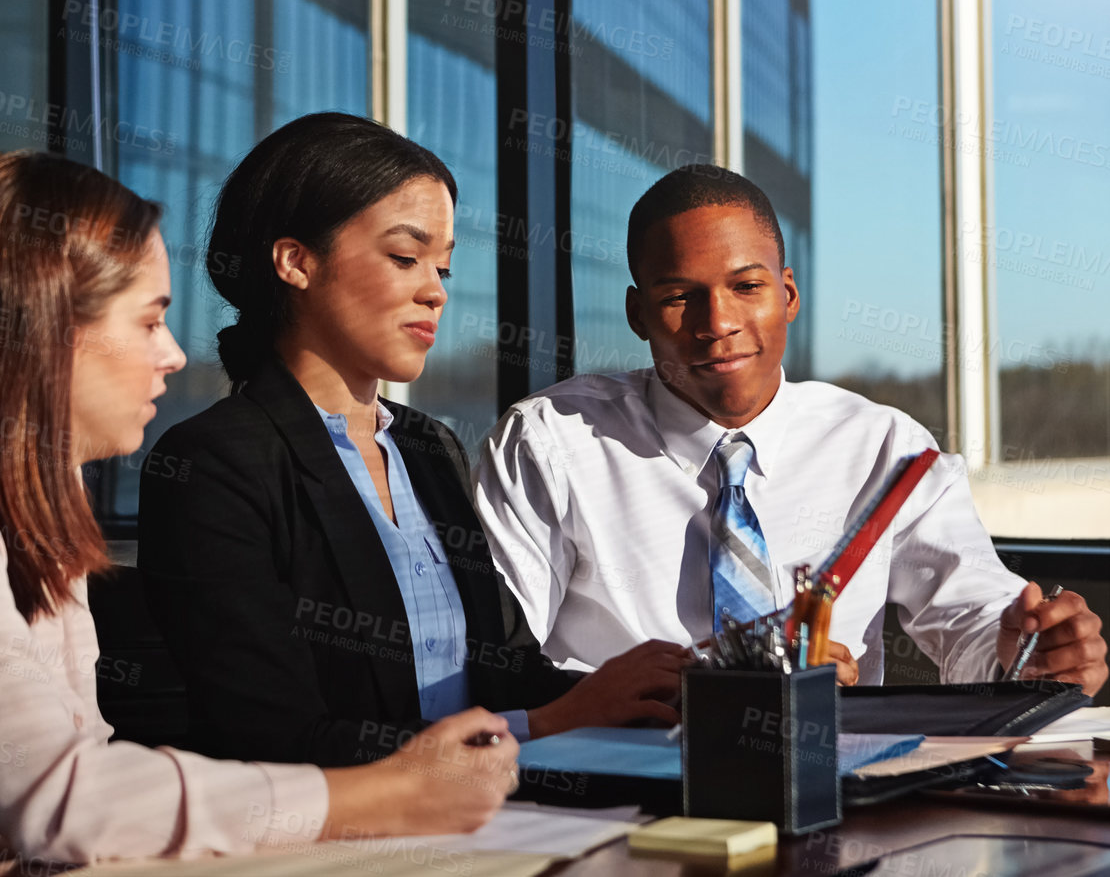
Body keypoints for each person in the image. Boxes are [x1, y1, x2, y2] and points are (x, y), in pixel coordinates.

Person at [0, 151, 520, 877]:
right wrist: (381, 794)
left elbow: (77, 781)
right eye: (152, 320)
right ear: (43, 327)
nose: (173, 354)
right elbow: (59, 798)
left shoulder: (23, 513)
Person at [137, 112, 691, 770]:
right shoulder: (213, 464)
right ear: (295, 262)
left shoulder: (428, 448)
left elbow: (506, 675)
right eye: (405, 257)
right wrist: (545, 723)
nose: (434, 293)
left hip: (487, 821)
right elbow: (271, 744)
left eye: (444, 268)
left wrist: (656, 692)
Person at [474, 163, 1108, 694]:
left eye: (747, 287)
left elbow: (971, 619)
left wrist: (1024, 653)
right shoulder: (549, 443)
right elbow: (497, 667)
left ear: (789, 296)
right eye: (678, 297)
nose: (717, 321)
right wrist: (725, 677)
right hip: (615, 798)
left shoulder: (884, 449)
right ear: (639, 315)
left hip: (835, 793)